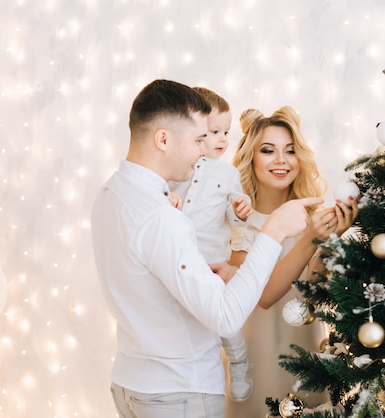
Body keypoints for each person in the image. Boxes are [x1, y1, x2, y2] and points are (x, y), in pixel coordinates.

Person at [90, 79, 323, 418]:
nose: (205, 150)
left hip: (132, 385)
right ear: (163, 139)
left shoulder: (110, 195)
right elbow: (225, 316)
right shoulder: (161, 219)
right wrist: (273, 232)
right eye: (199, 139)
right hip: (178, 394)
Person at [225, 106, 359, 417]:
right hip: (256, 357)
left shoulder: (311, 219)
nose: (281, 160)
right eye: (268, 151)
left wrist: (331, 239)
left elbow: (309, 292)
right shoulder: (237, 220)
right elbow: (265, 296)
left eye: (290, 150)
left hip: (305, 350)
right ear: (251, 157)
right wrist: (312, 238)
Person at [169, 86, 254, 402]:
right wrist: (170, 199)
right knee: (183, 322)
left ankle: (240, 362)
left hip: (213, 261)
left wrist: (239, 211)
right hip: (180, 259)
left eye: (225, 132)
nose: (222, 139)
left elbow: (236, 218)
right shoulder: (177, 167)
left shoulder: (227, 173)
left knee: (222, 320)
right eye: (213, 132)